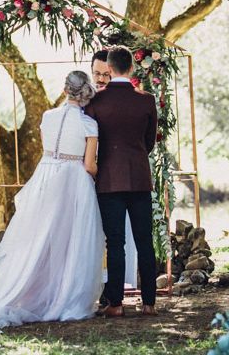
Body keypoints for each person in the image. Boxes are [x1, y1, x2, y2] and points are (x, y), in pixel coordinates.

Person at [0, 71, 104, 331]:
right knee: (73, 240)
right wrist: (101, 173)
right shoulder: (89, 124)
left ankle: (38, 291)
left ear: (65, 90)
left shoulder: (48, 117)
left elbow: (46, 150)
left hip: (47, 175)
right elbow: (88, 164)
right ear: (85, 93)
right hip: (76, 181)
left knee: (41, 237)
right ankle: (66, 298)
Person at [85, 46, 158, 317]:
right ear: (132, 68)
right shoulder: (146, 100)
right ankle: (149, 302)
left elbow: (92, 141)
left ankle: (115, 304)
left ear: (110, 68)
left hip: (109, 181)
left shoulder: (96, 101)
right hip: (139, 178)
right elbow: (149, 142)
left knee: (115, 243)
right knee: (144, 240)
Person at [91, 50, 138, 294]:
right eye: (96, 73)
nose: (100, 79)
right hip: (88, 178)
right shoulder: (87, 102)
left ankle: (114, 286)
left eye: (105, 74)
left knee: (117, 237)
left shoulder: (125, 101)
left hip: (116, 180)